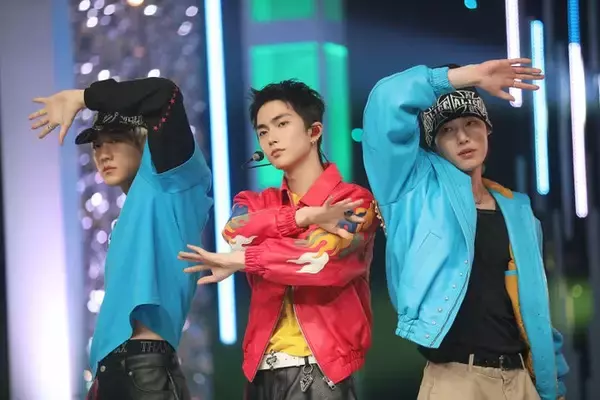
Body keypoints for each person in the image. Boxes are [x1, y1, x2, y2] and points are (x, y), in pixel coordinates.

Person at [358, 59, 569, 400]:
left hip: (521, 382)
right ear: (433, 143)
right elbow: (385, 103)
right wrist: (469, 76)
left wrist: (552, 385)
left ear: (487, 129)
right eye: (447, 130)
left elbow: (535, 310)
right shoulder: (412, 191)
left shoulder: (519, 212)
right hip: (456, 381)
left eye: (471, 123)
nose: (462, 137)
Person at [178, 80, 378, 400]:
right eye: (262, 131)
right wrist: (303, 217)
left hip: (320, 374)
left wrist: (244, 260)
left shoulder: (353, 202)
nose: (271, 138)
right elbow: (235, 232)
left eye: (282, 124)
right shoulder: (253, 201)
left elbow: (316, 259)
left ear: (314, 132)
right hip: (260, 374)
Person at [29, 77, 213, 399]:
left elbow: (164, 94)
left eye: (115, 139)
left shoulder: (170, 180)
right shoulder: (134, 209)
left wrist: (82, 98)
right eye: (97, 145)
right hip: (113, 372)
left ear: (143, 138)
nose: (103, 153)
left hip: (145, 370)